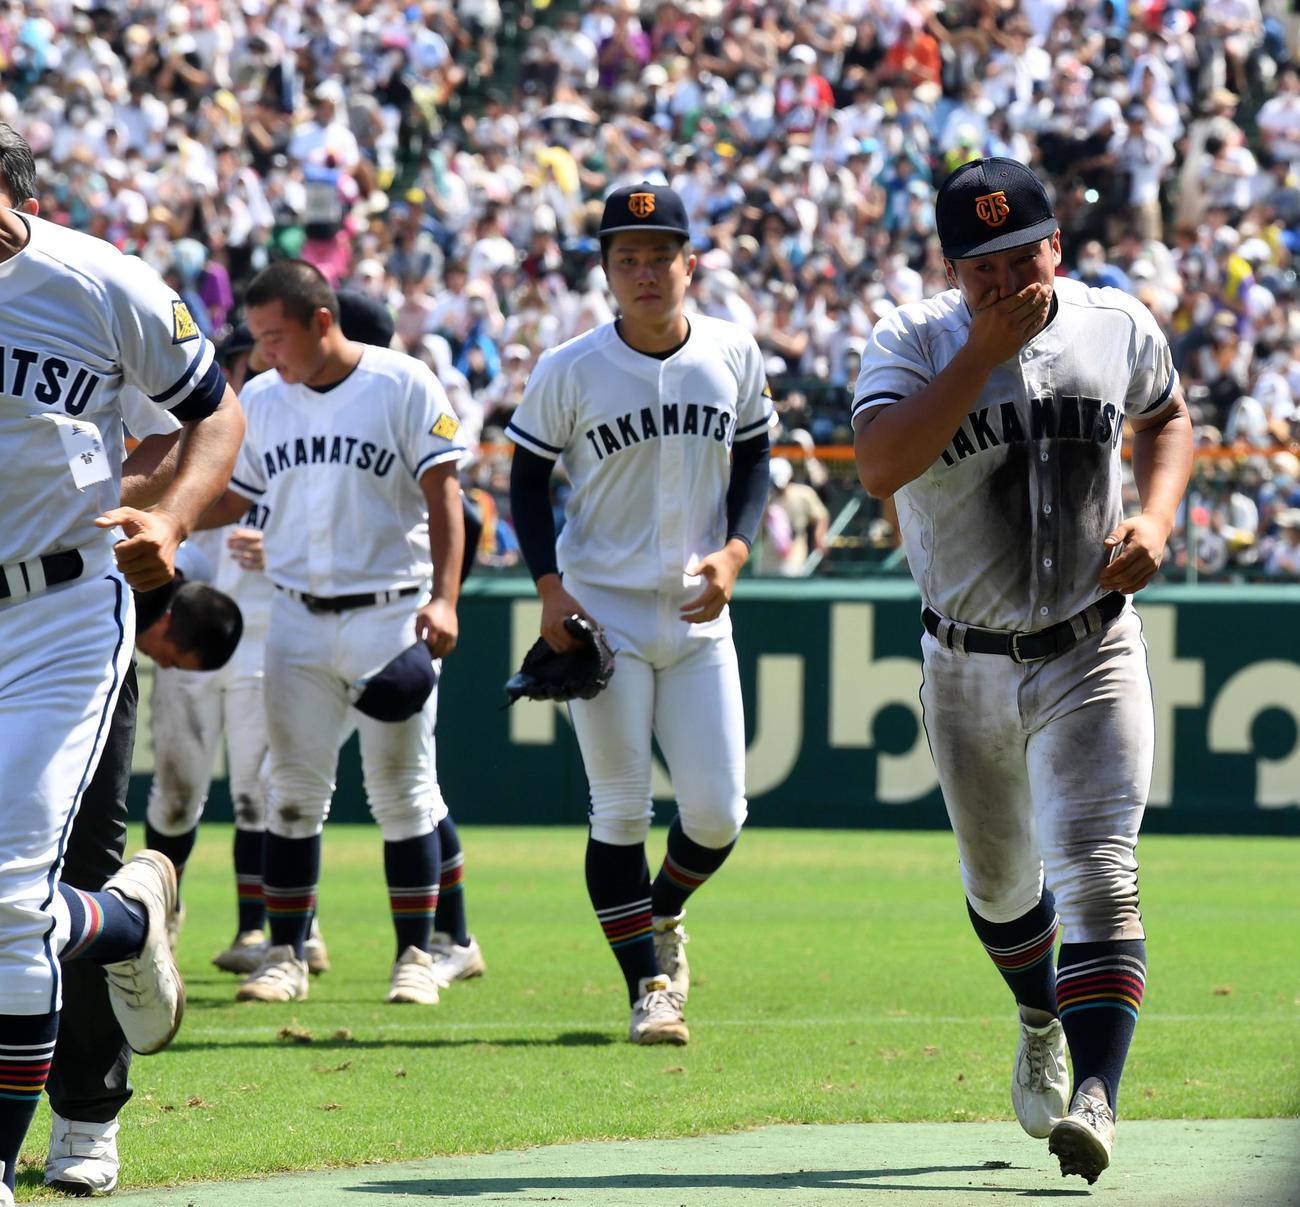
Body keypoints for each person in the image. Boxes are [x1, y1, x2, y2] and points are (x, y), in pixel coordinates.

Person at [852, 158, 1193, 1185]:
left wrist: (1158, 518)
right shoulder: (912, 340)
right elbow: (878, 465)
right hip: (963, 658)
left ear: (1054, 244)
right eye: (978, 269)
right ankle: (1038, 1012)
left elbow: (1166, 417)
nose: (1002, 284)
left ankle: (1096, 1094)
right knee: (1002, 887)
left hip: (1090, 639)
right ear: (951, 271)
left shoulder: (1112, 321)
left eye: (1018, 258)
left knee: (1098, 872)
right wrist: (975, 357)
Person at [0, 120, 244, 1205]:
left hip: (59, 606)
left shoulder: (97, 281)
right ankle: (138, 917)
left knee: (33, 881)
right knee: (42, 891)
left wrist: (168, 519)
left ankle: (81, 1116)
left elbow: (210, 413)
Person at [506, 183, 772, 1045]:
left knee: (719, 811)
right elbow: (525, 479)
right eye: (628, 258)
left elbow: (758, 449)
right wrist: (549, 586)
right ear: (607, 273)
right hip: (603, 613)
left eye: (661, 255)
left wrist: (736, 550)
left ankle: (660, 911)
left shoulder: (732, 352)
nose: (646, 271)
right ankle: (648, 986)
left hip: (698, 613)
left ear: (690, 263)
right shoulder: (571, 367)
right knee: (619, 810)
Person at [198, 260, 472, 1007]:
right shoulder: (262, 396)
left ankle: (417, 954)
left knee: (402, 791)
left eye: (274, 337)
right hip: (294, 614)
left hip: (390, 612)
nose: (262, 354)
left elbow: (446, 496)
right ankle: (284, 954)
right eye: (257, 338)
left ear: (323, 321)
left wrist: (444, 599)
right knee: (290, 792)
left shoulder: (402, 382)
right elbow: (235, 498)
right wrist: (170, 514)